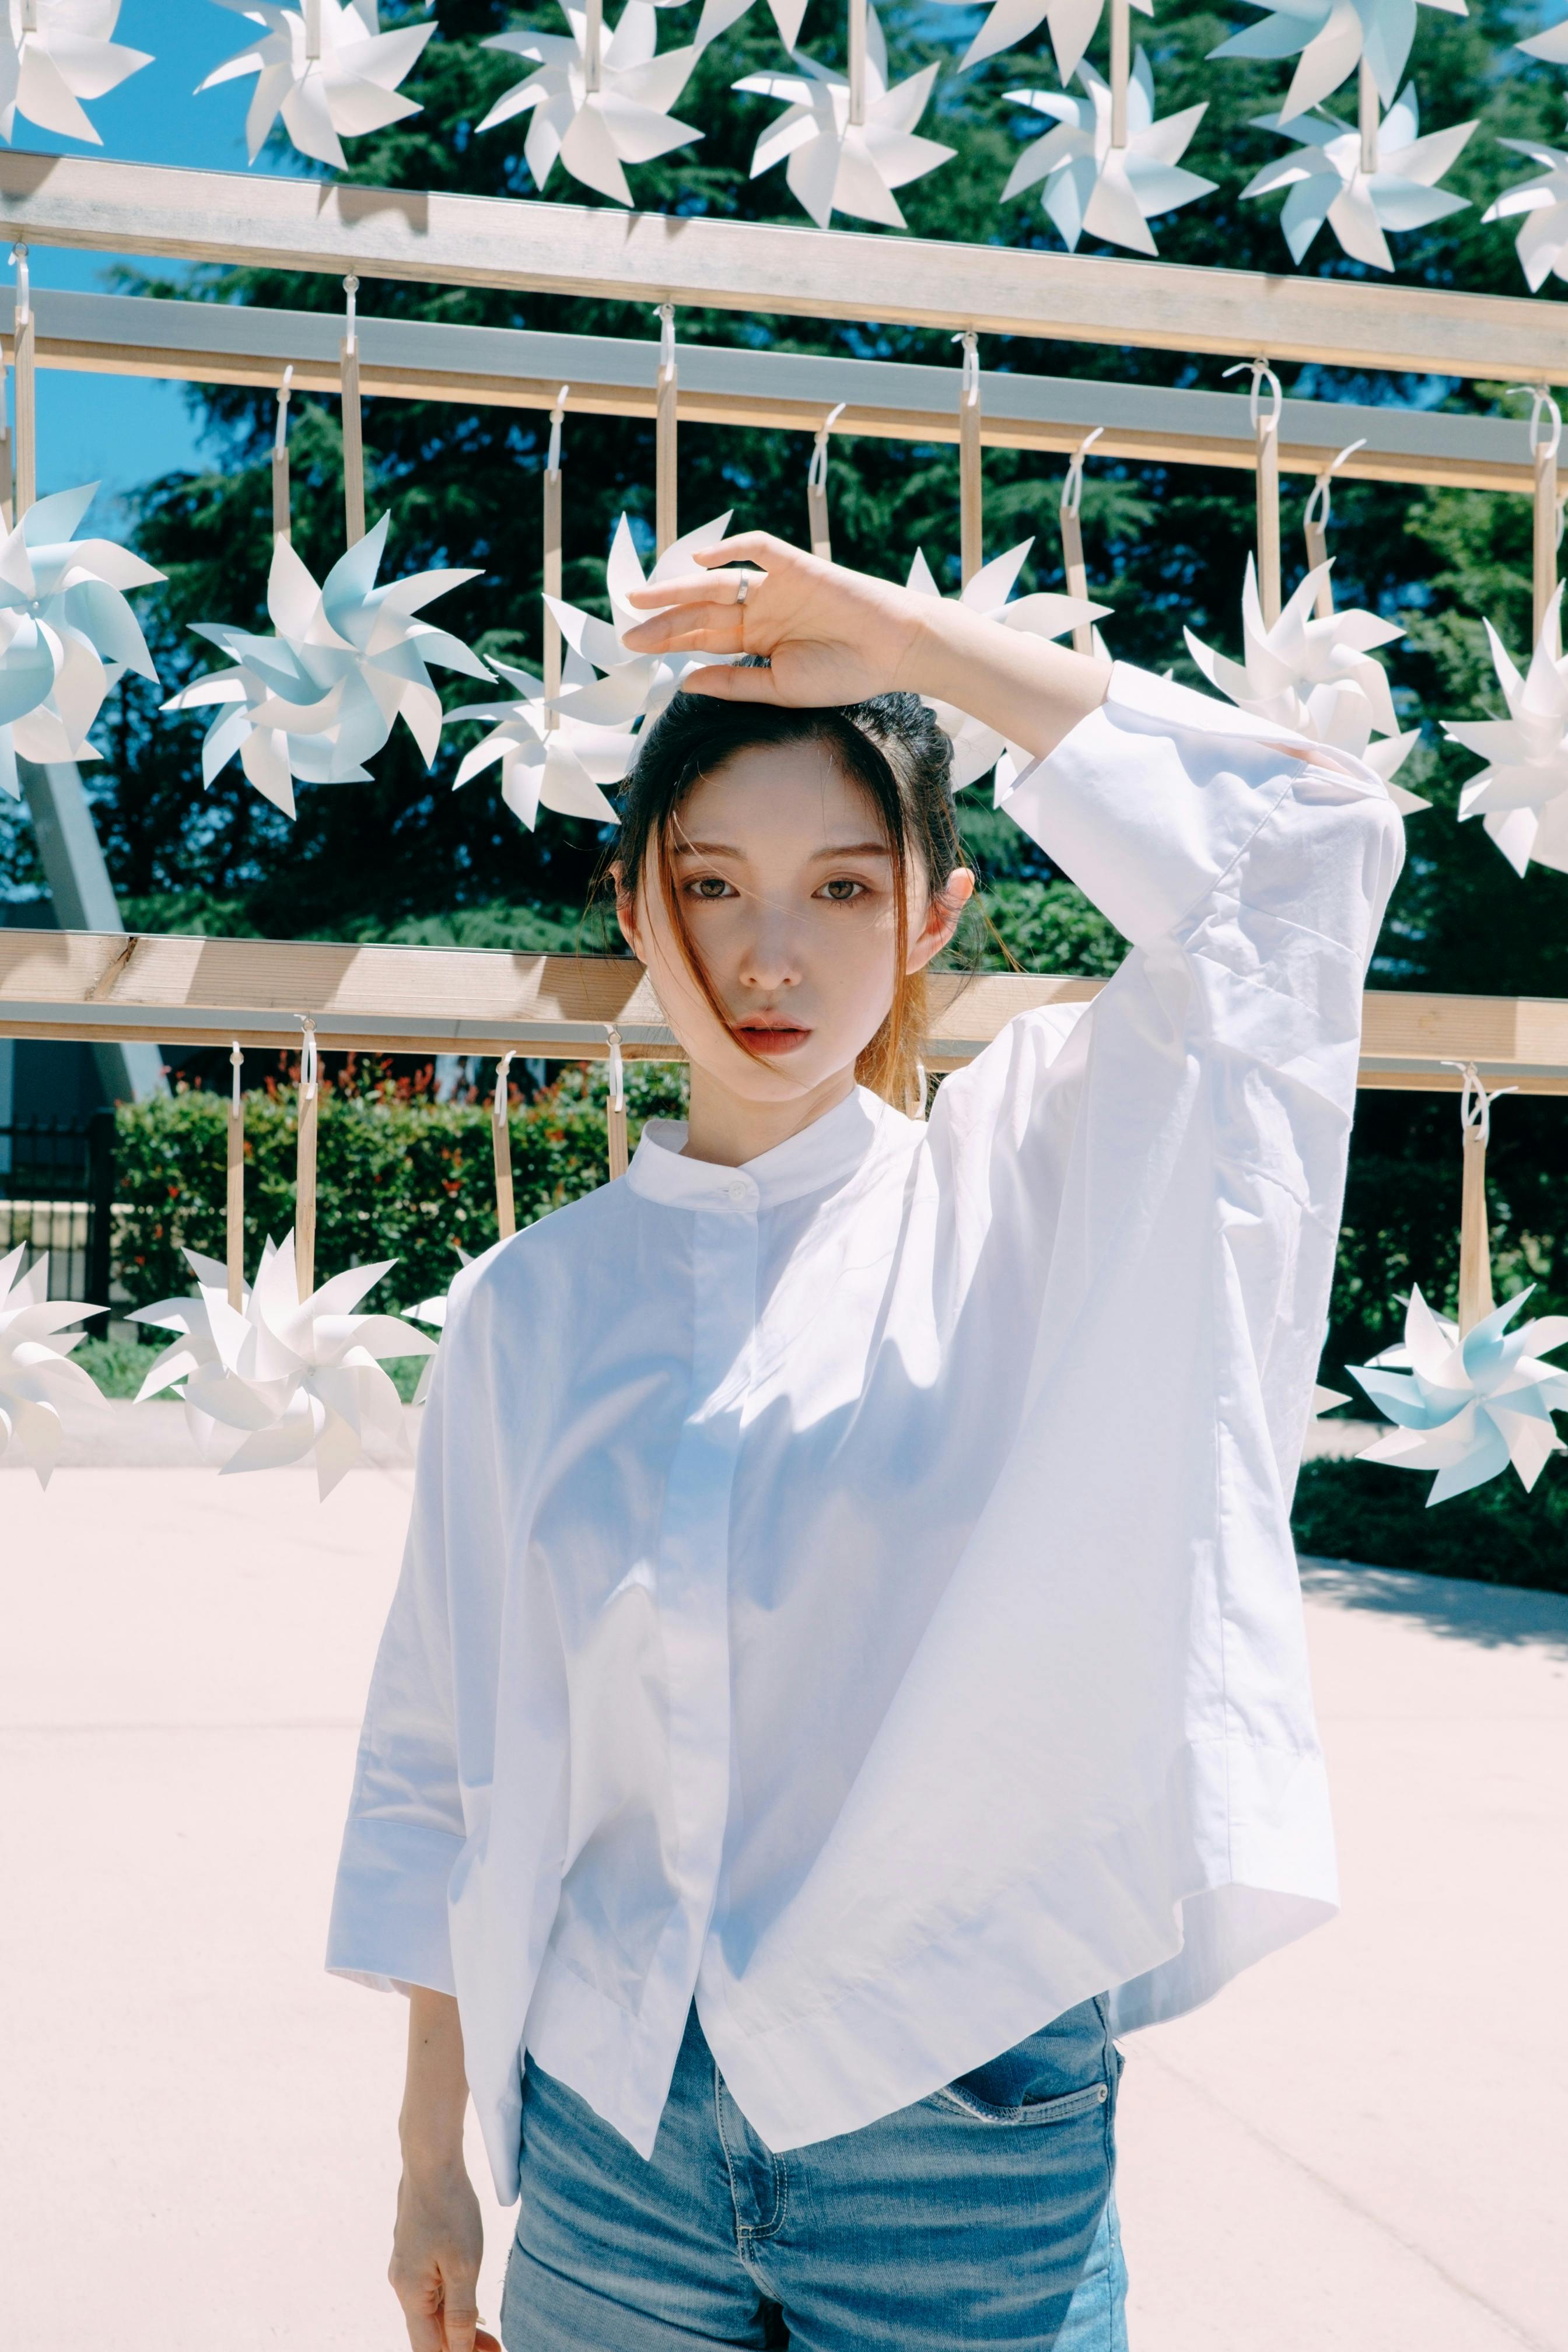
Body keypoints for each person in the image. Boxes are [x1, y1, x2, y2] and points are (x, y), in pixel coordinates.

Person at [326, 531, 1404, 2351]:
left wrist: (899, 642)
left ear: (931, 913)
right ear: (634, 905)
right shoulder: (533, 1305)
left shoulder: (1039, 1189)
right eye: (714, 882)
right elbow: (451, 1746)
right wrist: (432, 2149)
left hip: (957, 2138)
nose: (770, 954)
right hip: (610, 2145)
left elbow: (1302, 850)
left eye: (840, 888)